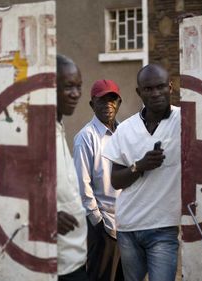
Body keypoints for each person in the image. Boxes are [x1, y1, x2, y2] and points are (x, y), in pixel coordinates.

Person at [102, 64, 181, 281]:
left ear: (170, 87)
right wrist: (140, 166)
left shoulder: (185, 121)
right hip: (128, 227)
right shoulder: (126, 129)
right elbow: (116, 181)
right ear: (139, 92)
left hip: (163, 228)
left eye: (161, 87)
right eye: (148, 89)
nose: (155, 93)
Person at [73, 80, 124, 281]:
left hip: (128, 225)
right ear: (92, 104)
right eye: (101, 100)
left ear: (118, 102)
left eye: (112, 99)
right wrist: (99, 223)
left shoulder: (124, 133)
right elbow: (82, 185)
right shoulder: (85, 137)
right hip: (103, 227)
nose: (107, 105)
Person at [56, 54, 88, 281]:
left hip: (75, 256)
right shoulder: (34, 133)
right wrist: (44, 215)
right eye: (68, 87)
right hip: (56, 262)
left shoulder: (58, 126)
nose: (76, 94)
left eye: (78, 87)